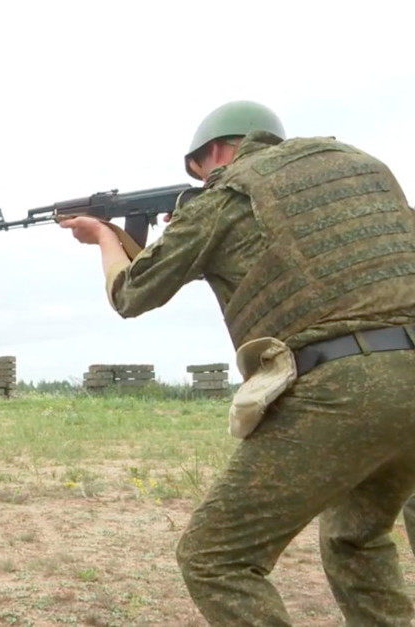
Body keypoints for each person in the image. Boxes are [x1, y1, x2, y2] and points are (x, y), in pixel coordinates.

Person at [60, 100, 415, 624]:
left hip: (344, 386)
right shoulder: (362, 169)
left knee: (215, 558)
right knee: (356, 536)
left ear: (217, 151)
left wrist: (105, 238)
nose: (201, 181)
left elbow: (131, 293)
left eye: (199, 171)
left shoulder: (225, 193)